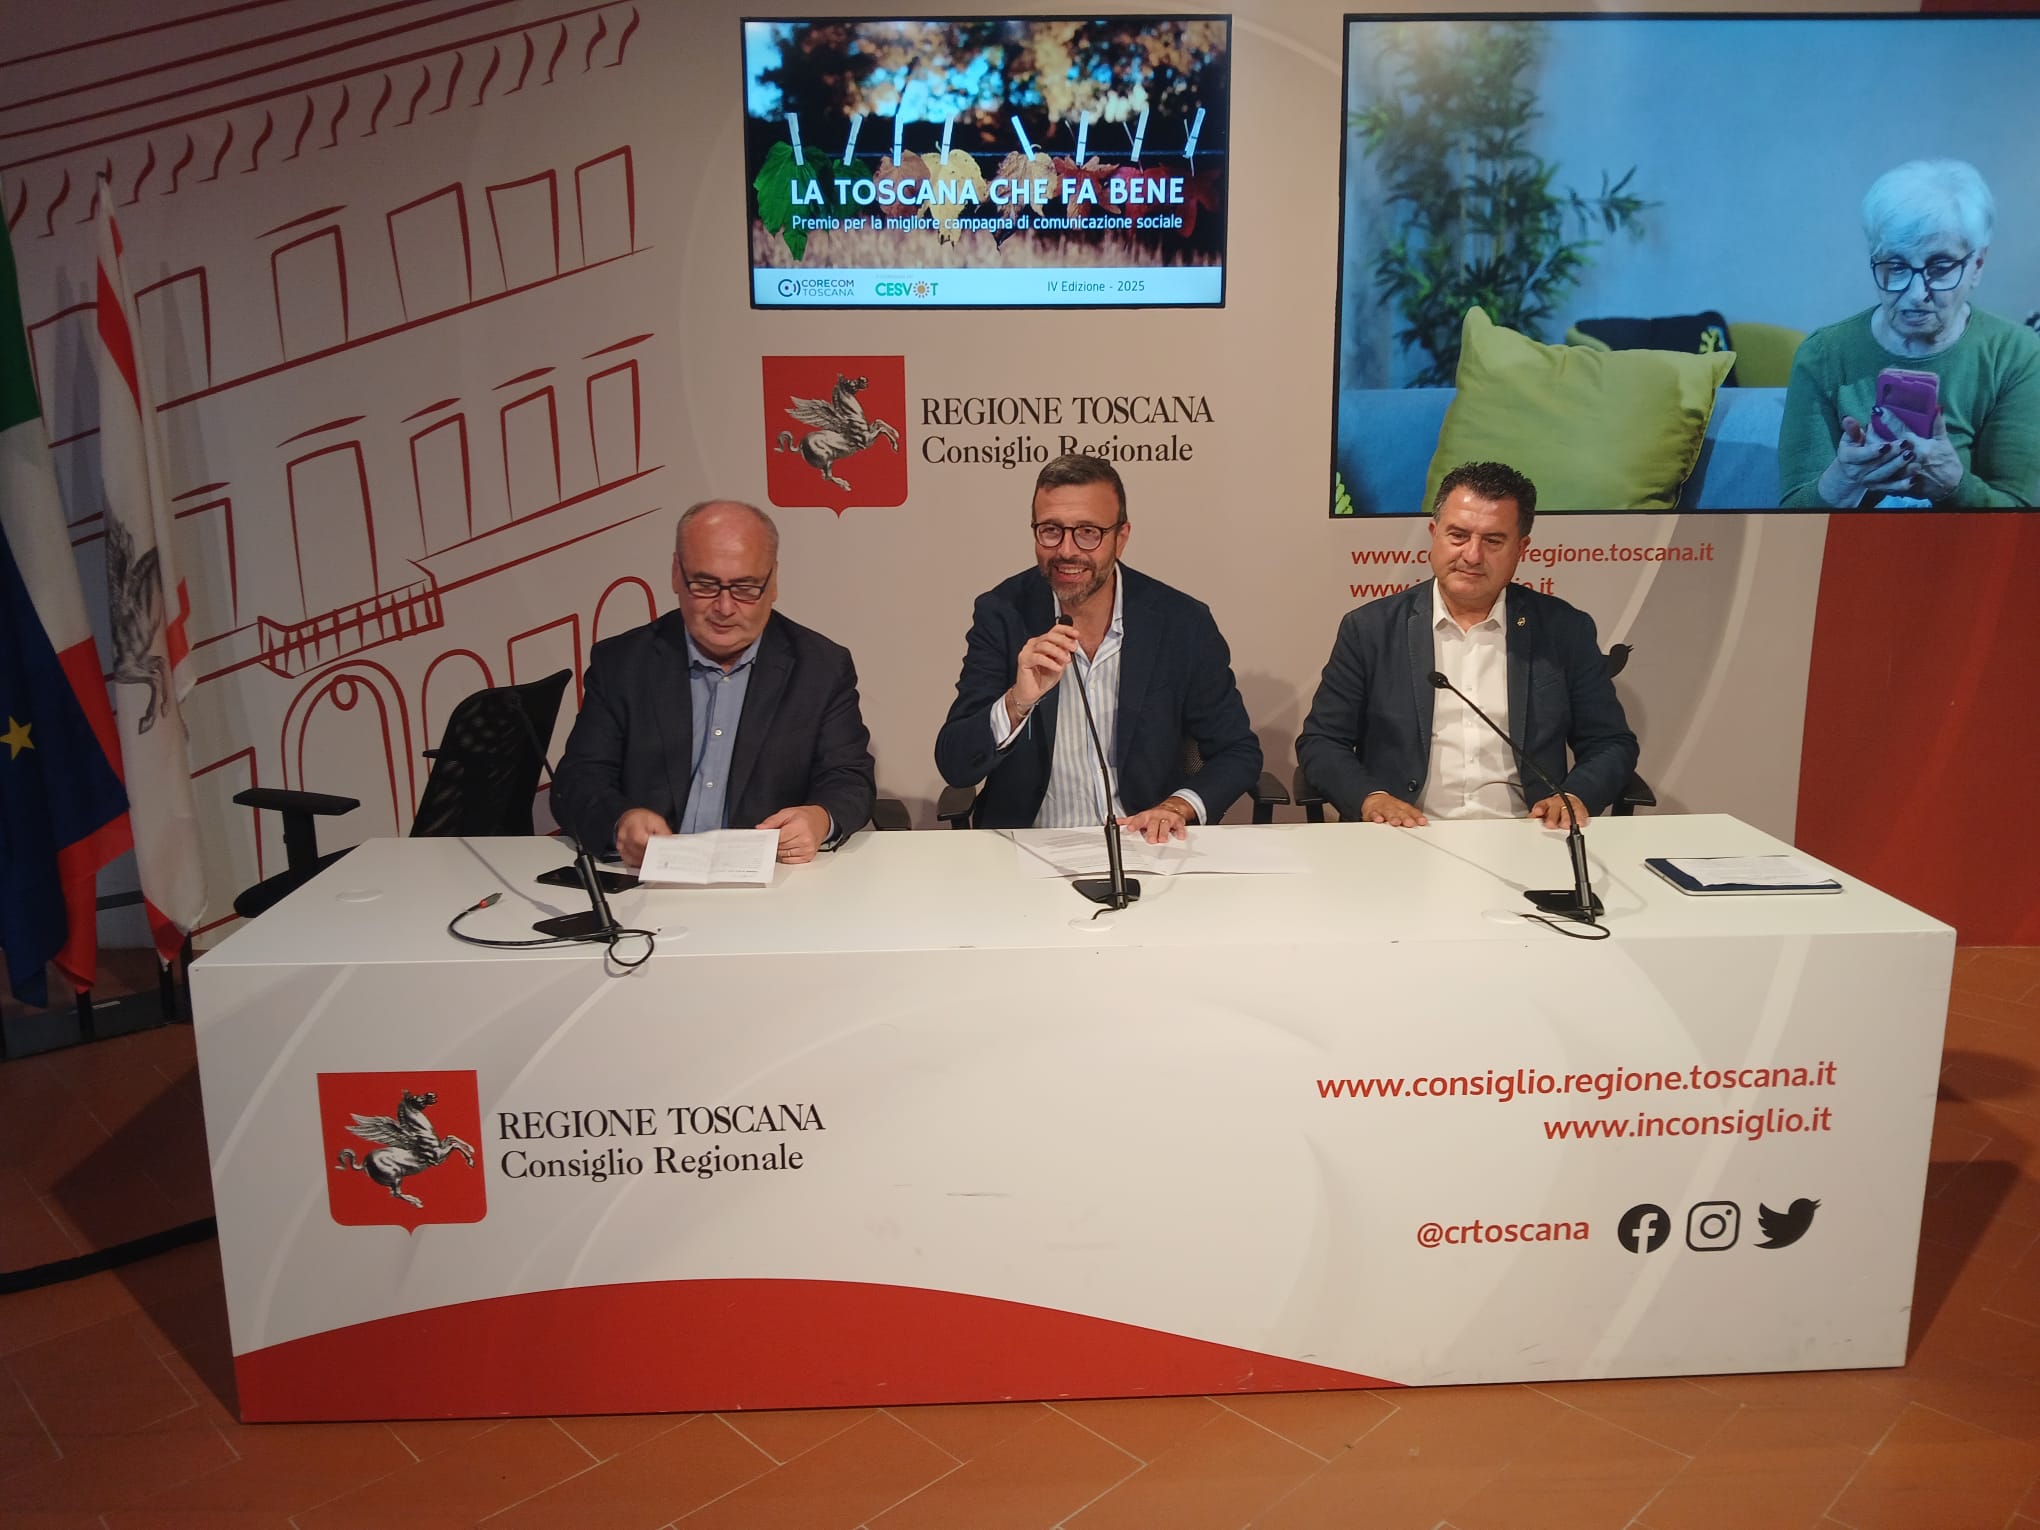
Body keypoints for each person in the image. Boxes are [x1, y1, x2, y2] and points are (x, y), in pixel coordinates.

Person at [934, 453, 1262, 840]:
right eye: (1051, 530)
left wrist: (1177, 807)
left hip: (1144, 841)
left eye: (1088, 532)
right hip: (1031, 844)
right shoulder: (1003, 613)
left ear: (1121, 537)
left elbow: (1237, 751)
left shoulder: (1182, 622)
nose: (1066, 550)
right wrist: (1016, 703)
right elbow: (956, 764)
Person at [1295, 461, 1636, 827]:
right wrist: (1371, 797)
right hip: (1402, 831)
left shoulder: (1563, 629)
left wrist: (1574, 796)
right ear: (1434, 534)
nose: (1472, 556)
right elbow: (1322, 741)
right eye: (1458, 536)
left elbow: (1610, 742)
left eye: (1493, 541)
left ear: (1521, 548)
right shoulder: (1370, 629)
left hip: (1530, 830)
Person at [551, 500, 875, 866]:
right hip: (645, 878)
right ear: (676, 574)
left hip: (771, 878)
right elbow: (579, 780)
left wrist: (819, 819)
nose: (724, 607)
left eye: (745, 587)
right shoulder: (623, 663)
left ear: (773, 581)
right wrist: (620, 822)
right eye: (705, 585)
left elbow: (849, 778)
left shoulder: (820, 667)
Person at [1779, 159, 2040, 509]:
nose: (1917, 294)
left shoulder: (2016, 355)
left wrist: (1954, 486)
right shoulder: (1823, 356)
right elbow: (1791, 518)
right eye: (1896, 266)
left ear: (1976, 265)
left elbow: (2022, 521)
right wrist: (1842, 481)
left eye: (1940, 267)